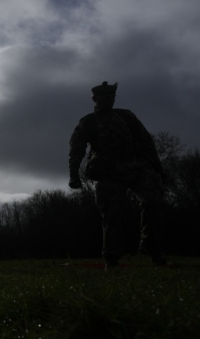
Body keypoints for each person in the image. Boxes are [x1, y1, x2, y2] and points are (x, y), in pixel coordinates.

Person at [69, 81, 167, 269]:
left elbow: (146, 142)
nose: (110, 100)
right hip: (108, 171)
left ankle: (150, 246)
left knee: (154, 202)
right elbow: (76, 150)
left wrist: (158, 168)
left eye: (112, 97)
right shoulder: (87, 123)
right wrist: (74, 175)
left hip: (136, 166)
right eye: (105, 97)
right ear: (95, 99)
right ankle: (112, 258)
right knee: (112, 214)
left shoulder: (127, 116)